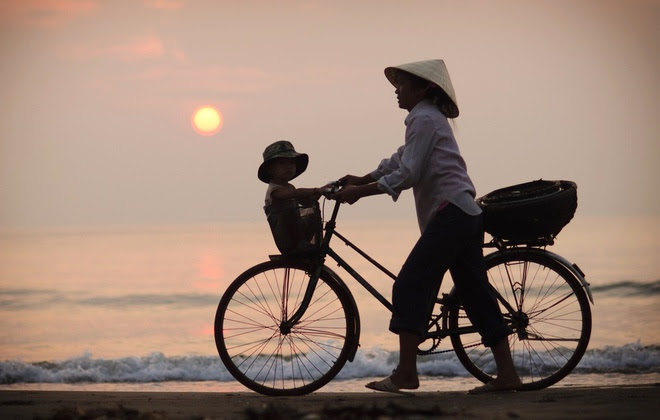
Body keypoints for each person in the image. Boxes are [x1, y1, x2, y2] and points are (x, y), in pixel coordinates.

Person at [330, 59, 522, 394]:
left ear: (423, 88)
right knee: (475, 295)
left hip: (452, 215)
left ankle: (406, 373)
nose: (396, 91)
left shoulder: (423, 118)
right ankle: (507, 374)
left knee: (410, 284)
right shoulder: (427, 119)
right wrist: (364, 177)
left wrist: (360, 192)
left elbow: (408, 173)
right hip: (464, 214)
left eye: (402, 85)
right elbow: (403, 157)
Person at [258, 140, 328, 254]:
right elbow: (296, 194)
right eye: (282, 163)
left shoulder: (290, 187)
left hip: (298, 233)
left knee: (312, 217)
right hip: (287, 236)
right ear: (270, 169)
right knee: (290, 213)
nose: (288, 167)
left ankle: (305, 244)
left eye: (291, 163)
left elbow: (306, 202)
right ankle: (302, 244)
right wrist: (317, 190)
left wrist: (323, 190)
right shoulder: (274, 190)